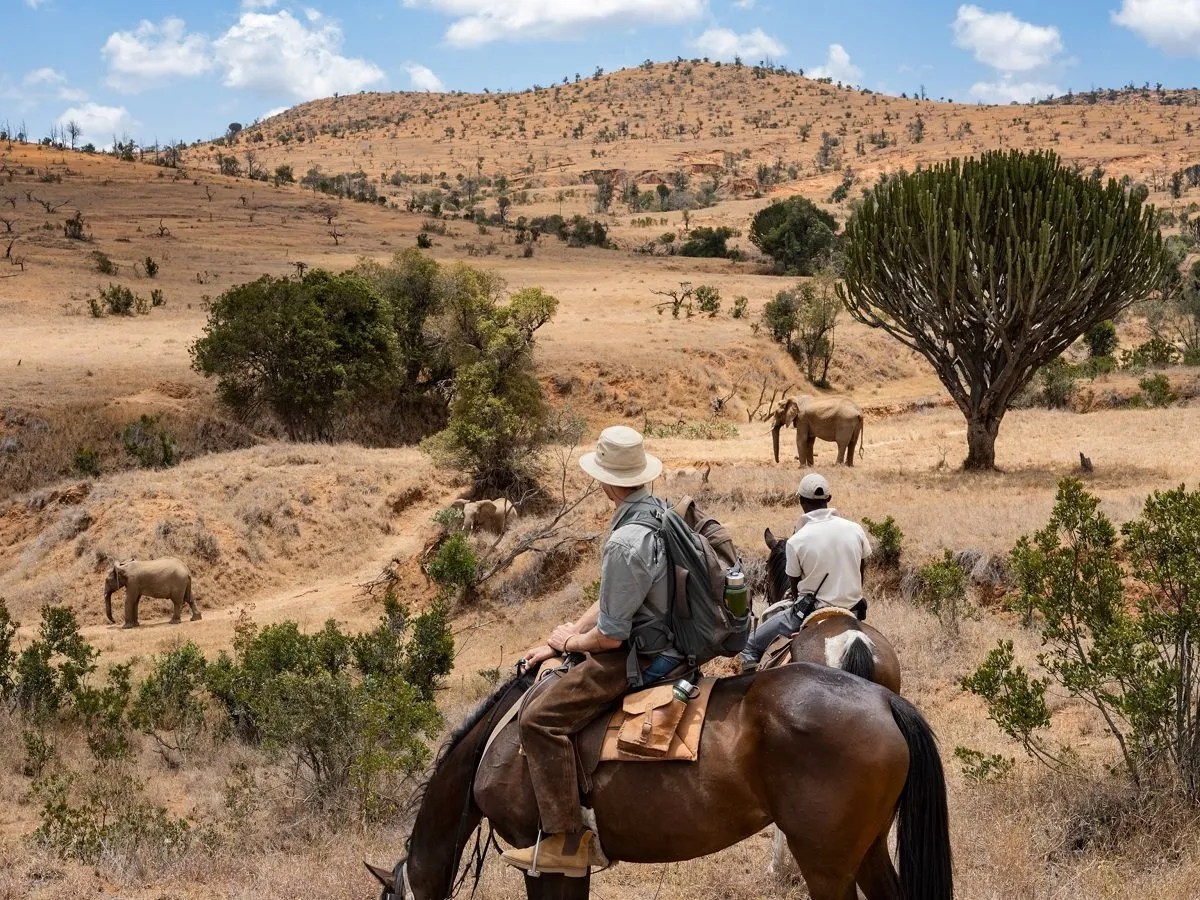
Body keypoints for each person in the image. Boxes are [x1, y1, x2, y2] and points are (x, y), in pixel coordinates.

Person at [500, 425, 684, 878]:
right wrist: (558, 637)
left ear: (606, 480)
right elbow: (610, 600)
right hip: (666, 638)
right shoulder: (657, 513)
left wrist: (569, 642)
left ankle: (565, 838)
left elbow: (611, 638)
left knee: (538, 720)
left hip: (638, 656)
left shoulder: (625, 541)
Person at [737, 472, 872, 671]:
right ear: (829, 499)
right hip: (852, 609)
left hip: (814, 611)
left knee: (748, 645)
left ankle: (749, 692)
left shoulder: (797, 541)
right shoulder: (855, 529)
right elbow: (861, 571)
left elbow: (795, 590)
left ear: (800, 500)